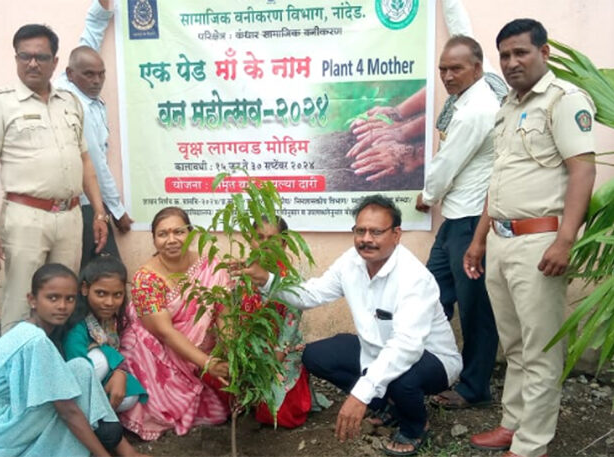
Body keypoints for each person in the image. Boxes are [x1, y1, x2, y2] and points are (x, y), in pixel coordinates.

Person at [238, 195, 461, 456]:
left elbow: (406, 347)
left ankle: (415, 426)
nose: (366, 239)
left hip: (430, 358)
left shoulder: (413, 278)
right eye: (360, 230)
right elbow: (311, 294)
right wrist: (266, 280)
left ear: (396, 234)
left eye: (376, 232)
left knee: (401, 377)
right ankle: (390, 404)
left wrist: (359, 396)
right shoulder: (351, 262)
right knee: (315, 356)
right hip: (377, 351)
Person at [465, 19, 596, 457]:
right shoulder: (507, 106)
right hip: (501, 239)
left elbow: (582, 171)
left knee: (540, 348)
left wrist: (565, 240)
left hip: (541, 243)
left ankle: (531, 445)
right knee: (515, 345)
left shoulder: (563, 100)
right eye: (504, 55)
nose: (511, 62)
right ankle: (513, 424)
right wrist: (479, 239)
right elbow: (499, 181)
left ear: (544, 52)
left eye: (520, 52)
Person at [0, 23, 110, 334]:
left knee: (63, 302)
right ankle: (17, 363)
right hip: (26, 217)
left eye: (41, 57)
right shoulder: (1, 102)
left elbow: (85, 161)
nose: (32, 63)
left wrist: (99, 212)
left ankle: (55, 362)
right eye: (25, 56)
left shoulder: (70, 102)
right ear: (16, 59)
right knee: (22, 302)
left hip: (70, 217)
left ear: (55, 62)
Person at [415, 0, 503, 410]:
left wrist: (427, 196)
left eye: (456, 69)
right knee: (430, 295)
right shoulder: (482, 84)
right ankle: (428, 368)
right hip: (455, 221)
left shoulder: (476, 110)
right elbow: (460, 28)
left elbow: (447, 164)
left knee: (475, 309)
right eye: (443, 69)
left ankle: (474, 387)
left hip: (471, 223)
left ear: (477, 68)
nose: (448, 76)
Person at [0, 263, 144, 457]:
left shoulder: (29, 329)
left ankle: (112, 440)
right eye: (52, 298)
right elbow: (68, 411)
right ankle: (104, 441)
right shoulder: (36, 340)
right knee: (69, 406)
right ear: (32, 300)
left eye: (69, 299)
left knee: (81, 368)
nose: (62, 306)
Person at [118, 207, 230, 440]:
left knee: (225, 404)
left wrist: (231, 352)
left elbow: (223, 314)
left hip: (199, 350)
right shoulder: (146, 280)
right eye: (163, 234)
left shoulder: (210, 266)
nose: (171, 240)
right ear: (154, 239)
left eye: (178, 232)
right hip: (154, 350)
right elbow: (164, 332)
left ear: (191, 234)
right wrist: (207, 363)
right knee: (159, 408)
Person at [56, 0, 133, 267]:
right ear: (71, 74)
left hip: (87, 202)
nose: (97, 80)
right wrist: (117, 210)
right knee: (104, 272)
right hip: (84, 203)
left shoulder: (74, 78)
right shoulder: (76, 105)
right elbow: (96, 163)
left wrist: (102, 7)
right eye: (90, 75)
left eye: (101, 74)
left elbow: (91, 34)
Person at [248, 217, 331, 428]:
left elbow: (289, 327)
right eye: (259, 237)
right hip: (248, 348)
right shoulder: (242, 272)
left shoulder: (290, 278)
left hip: (282, 349)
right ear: (250, 240)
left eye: (272, 239)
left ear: (284, 244)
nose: (265, 244)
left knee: (282, 415)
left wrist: (273, 363)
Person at [62, 256, 148, 412]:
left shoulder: (110, 321)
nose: (109, 302)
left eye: (117, 295)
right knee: (101, 359)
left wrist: (119, 373)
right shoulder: (77, 326)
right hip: (70, 384)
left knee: (129, 396)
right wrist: (116, 364)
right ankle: (81, 413)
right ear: (85, 289)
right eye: (101, 294)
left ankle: (94, 411)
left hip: (94, 381)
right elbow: (79, 368)